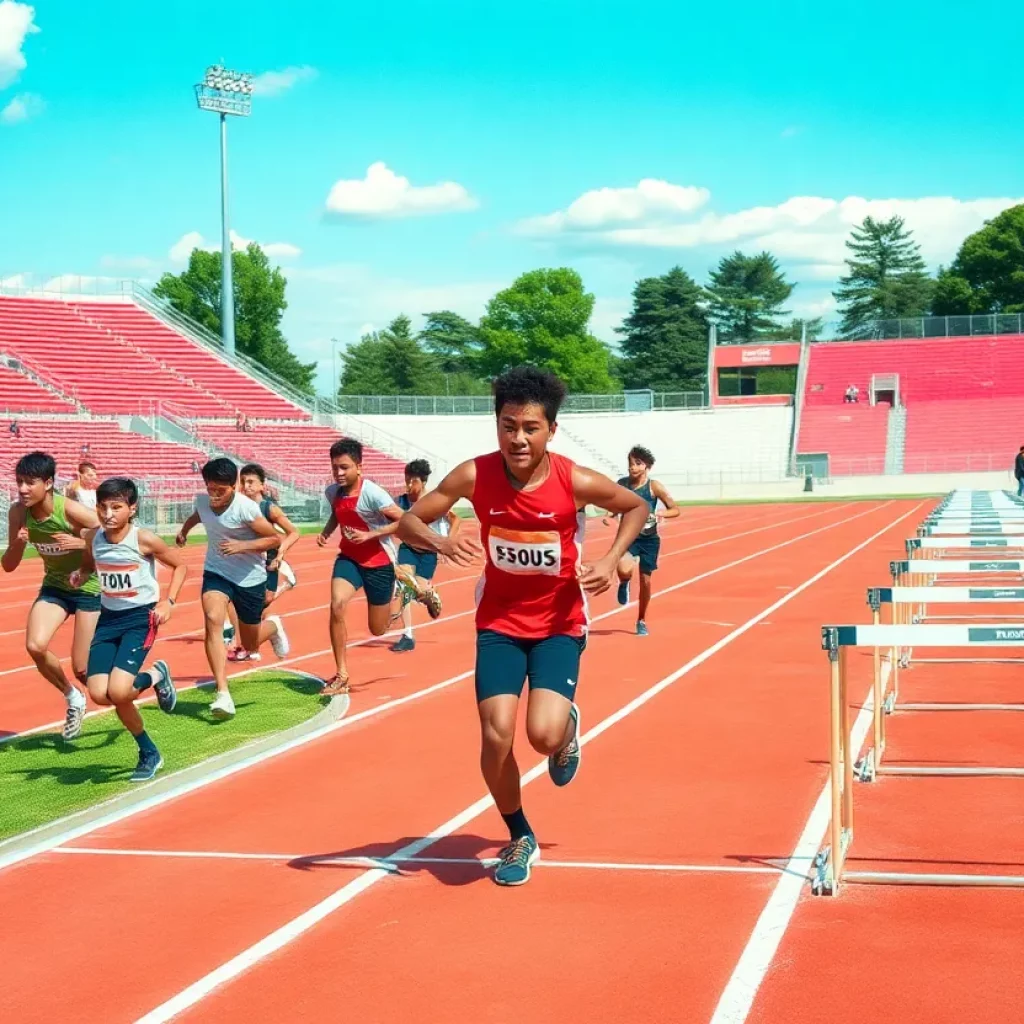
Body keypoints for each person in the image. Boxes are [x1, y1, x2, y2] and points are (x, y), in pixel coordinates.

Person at [397, 366, 648, 886]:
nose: (518, 437)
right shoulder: (474, 475)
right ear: (497, 424)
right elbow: (411, 520)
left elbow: (636, 506)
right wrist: (442, 542)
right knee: (495, 736)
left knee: (542, 735)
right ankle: (519, 836)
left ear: (550, 431)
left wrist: (608, 560)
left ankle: (568, 729)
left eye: (530, 427)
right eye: (509, 425)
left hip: (559, 621)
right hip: (499, 622)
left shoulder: (572, 479)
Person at [69, 477, 186, 781]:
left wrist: (168, 603)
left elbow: (182, 566)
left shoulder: (143, 539)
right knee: (98, 693)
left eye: (116, 507)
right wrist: (81, 574)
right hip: (108, 620)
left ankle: (149, 750)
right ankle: (156, 677)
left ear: (132, 508)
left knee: (120, 691)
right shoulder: (94, 537)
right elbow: (88, 563)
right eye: (102, 507)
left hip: (139, 619)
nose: (108, 514)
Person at [317, 438, 441, 695]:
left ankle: (413, 591)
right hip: (349, 558)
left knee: (378, 628)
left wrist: (370, 536)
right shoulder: (332, 492)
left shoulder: (372, 493)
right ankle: (342, 674)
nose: (339, 473)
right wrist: (327, 532)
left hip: (379, 562)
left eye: (344, 467)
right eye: (335, 468)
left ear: (359, 467)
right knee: (337, 604)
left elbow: (405, 520)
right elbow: (336, 513)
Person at [176, 458, 291, 719]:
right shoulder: (203, 501)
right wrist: (183, 532)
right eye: (210, 488)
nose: (214, 495)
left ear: (234, 486)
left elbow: (275, 538)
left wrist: (242, 547)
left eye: (221, 490)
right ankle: (223, 694)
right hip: (217, 572)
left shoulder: (246, 509)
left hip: (250, 578)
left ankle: (272, 627)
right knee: (213, 618)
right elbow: (196, 516)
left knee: (249, 645)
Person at [2, 451, 100, 740]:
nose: (22, 489)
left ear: (48, 483)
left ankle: (153, 678)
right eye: (19, 481)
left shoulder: (70, 510)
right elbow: (8, 566)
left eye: (29, 482)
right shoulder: (18, 513)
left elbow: (115, 534)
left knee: (83, 668)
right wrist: (19, 544)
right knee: (35, 645)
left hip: (88, 587)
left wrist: (81, 540)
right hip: (56, 586)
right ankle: (73, 698)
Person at [223, 463, 301, 662]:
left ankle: (272, 627)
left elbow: (293, 532)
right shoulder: (237, 505)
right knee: (237, 602)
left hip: (268, 564)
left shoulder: (268, 508)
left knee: (262, 602)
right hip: (244, 563)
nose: (246, 486)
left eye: (251, 482)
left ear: (262, 486)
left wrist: (280, 554)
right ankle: (248, 644)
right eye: (243, 482)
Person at [605, 445, 680, 635]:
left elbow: (675, 509)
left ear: (647, 467)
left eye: (637, 464)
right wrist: (610, 515)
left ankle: (641, 620)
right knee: (623, 569)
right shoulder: (622, 484)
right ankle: (624, 582)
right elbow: (615, 504)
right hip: (628, 536)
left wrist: (661, 514)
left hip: (649, 540)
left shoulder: (654, 487)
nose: (632, 467)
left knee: (646, 581)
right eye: (630, 464)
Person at [390, 459, 460, 653]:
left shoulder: (434, 501)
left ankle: (429, 595)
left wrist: (447, 543)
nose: (409, 485)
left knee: (418, 592)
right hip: (408, 549)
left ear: (423, 482)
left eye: (413, 481)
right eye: (407, 480)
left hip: (428, 552)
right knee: (405, 586)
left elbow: (456, 520)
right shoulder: (401, 501)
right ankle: (408, 635)